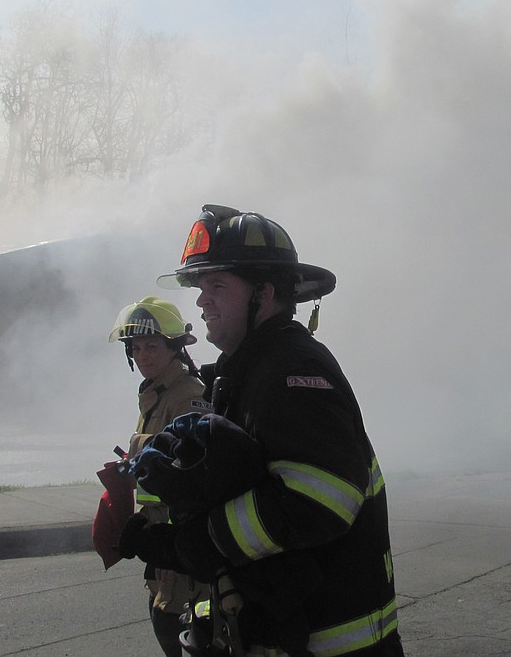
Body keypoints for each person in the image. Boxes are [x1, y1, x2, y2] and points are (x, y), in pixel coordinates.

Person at [122, 204, 404, 657]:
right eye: (200, 287)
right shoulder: (250, 370)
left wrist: (199, 541)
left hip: (329, 642)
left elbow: (319, 499)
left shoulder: (293, 371)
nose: (201, 300)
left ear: (263, 293)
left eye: (217, 285)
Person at [109, 297, 208, 657]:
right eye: (136, 348)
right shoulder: (155, 393)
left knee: (176, 620)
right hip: (158, 530)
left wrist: (139, 446)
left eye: (151, 346)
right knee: (162, 611)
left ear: (174, 348)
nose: (142, 355)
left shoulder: (188, 394)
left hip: (179, 531)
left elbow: (190, 455)